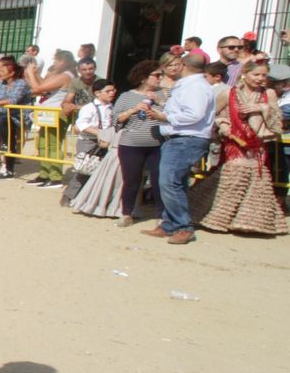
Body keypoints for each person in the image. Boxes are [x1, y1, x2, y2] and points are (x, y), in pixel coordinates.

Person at [188, 59, 285, 236]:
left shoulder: (268, 94)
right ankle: (215, 216)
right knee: (234, 175)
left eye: (263, 75)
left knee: (257, 177)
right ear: (244, 74)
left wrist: (261, 107)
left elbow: (277, 121)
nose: (260, 79)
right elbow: (212, 116)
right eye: (256, 74)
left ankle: (249, 222)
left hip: (258, 143)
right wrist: (222, 125)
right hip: (234, 142)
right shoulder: (228, 93)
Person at [144, 51, 214, 244]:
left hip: (186, 138)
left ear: (183, 64)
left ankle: (183, 226)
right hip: (179, 137)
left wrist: (165, 117)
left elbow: (195, 114)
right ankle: (170, 224)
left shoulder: (196, 86)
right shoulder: (189, 85)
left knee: (169, 182)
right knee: (174, 182)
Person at [111, 59, 165, 227]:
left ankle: (161, 216)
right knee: (132, 180)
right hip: (131, 144)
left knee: (159, 181)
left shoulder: (164, 94)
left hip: (158, 144)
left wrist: (159, 102)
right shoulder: (127, 96)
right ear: (143, 78)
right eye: (156, 75)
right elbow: (116, 119)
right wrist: (134, 110)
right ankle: (127, 213)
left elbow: (174, 115)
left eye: (160, 75)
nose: (159, 78)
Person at [21, 49, 84, 190]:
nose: (54, 63)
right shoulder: (62, 75)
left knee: (53, 144)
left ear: (63, 61)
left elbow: (38, 89)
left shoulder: (66, 76)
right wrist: (34, 74)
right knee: (43, 143)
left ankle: (55, 177)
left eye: (56, 60)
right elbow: (45, 86)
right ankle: (44, 173)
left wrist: (30, 72)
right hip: (48, 113)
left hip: (58, 113)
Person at [64, 78, 118, 213]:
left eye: (113, 90)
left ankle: (90, 199)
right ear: (97, 93)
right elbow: (81, 124)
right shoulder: (89, 108)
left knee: (102, 171)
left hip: (106, 142)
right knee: (84, 170)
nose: (112, 93)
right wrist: (99, 133)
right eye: (108, 91)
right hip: (88, 142)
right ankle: (69, 196)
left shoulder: (112, 107)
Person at [0, 55, 29, 177]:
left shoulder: (21, 83)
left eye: (2, 70)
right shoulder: (0, 82)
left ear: (12, 72)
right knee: (0, 132)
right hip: (2, 116)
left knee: (9, 140)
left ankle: (9, 168)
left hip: (17, 117)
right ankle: (0, 164)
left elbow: (13, 100)